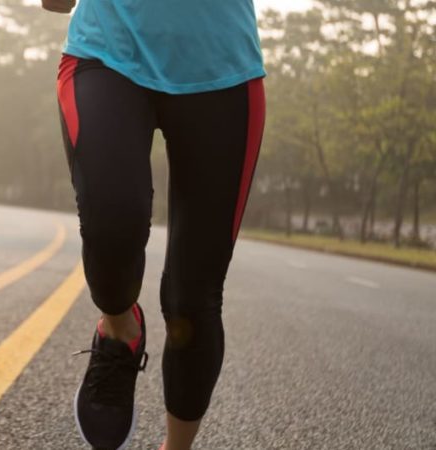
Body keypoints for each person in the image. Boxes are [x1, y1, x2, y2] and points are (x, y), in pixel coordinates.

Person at [43, 0, 265, 448]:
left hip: (223, 72)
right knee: (111, 226)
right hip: (107, 53)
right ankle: (120, 328)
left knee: (193, 299)